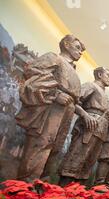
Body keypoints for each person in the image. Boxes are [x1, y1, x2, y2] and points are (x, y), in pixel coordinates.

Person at [16, 35, 85, 181]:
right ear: (66, 44)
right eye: (77, 48)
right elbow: (33, 72)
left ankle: (43, 184)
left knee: (56, 147)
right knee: (42, 142)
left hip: (68, 109)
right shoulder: (54, 58)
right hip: (52, 106)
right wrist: (55, 94)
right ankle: (26, 186)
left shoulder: (73, 71)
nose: (80, 52)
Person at [59, 67, 109, 186]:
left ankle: (79, 192)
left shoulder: (105, 95)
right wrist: (85, 115)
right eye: (108, 75)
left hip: (100, 130)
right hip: (88, 126)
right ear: (99, 74)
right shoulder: (90, 86)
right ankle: (63, 189)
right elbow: (74, 101)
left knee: (89, 161)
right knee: (76, 157)